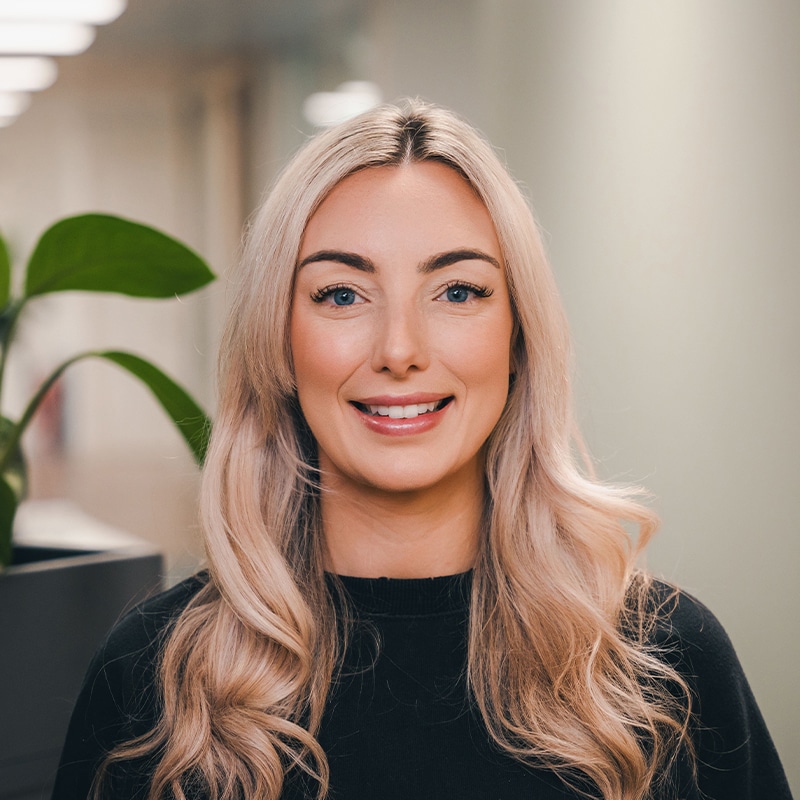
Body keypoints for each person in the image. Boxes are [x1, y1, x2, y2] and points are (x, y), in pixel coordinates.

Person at [52, 100, 792, 800]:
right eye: (341, 295)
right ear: (278, 343)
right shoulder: (157, 672)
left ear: (518, 340)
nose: (399, 350)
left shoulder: (663, 661)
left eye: (459, 292)